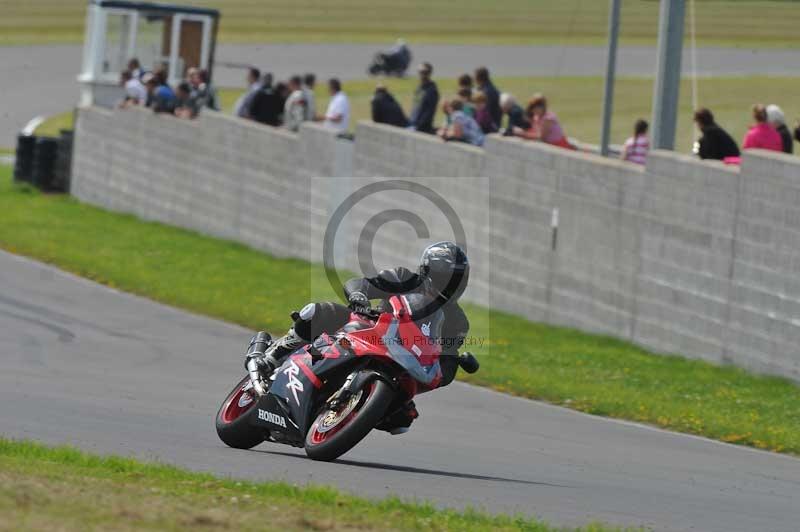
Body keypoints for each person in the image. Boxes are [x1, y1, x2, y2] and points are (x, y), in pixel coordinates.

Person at [250, 242, 471, 432]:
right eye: (445, 278)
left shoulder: (458, 321)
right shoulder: (404, 278)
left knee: (403, 419)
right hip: (370, 329)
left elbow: (448, 356)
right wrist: (359, 295)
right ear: (427, 271)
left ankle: (353, 411)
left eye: (456, 281)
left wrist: (447, 369)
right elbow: (363, 284)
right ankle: (274, 355)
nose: (450, 286)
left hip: (405, 361)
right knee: (320, 311)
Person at [408, 62, 439, 134]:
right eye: (421, 72)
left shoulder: (432, 91)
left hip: (421, 128)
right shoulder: (419, 89)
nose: (422, 75)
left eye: (425, 72)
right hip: (412, 124)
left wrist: (419, 127)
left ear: (429, 73)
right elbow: (415, 107)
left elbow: (429, 112)